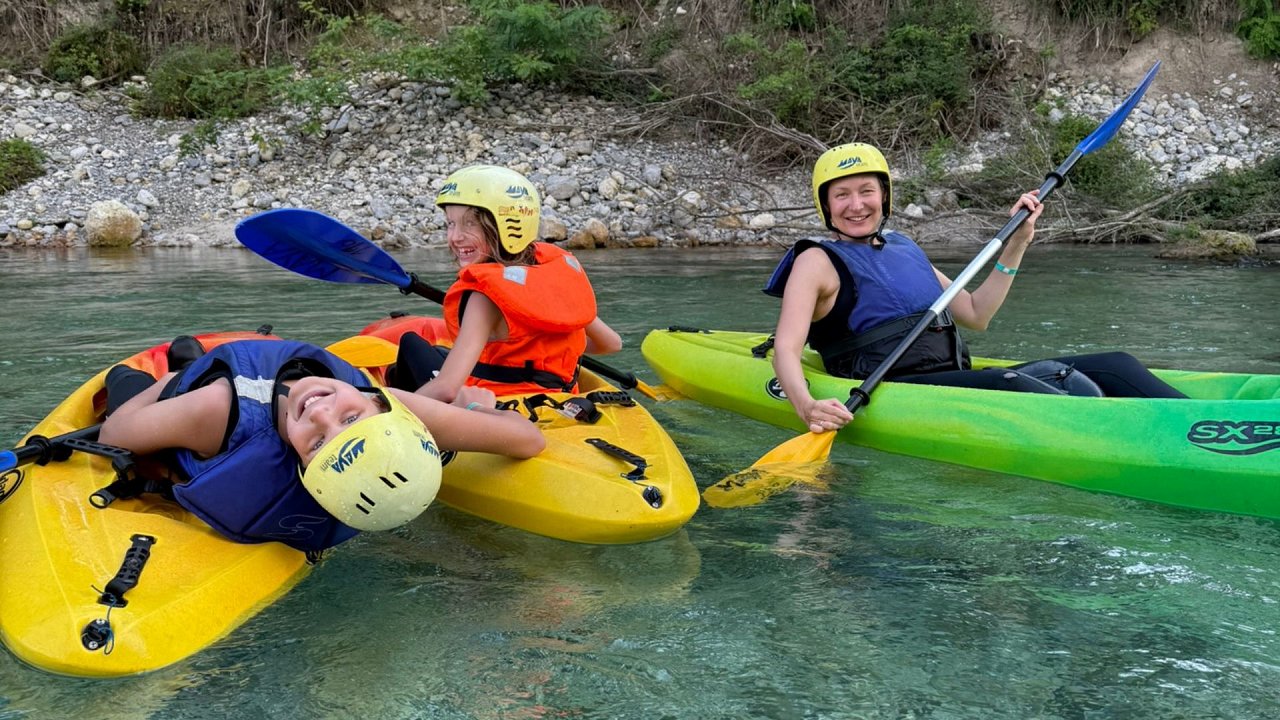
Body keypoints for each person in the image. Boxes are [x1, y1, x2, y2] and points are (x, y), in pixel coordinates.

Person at [766, 142, 1187, 435]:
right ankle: (1137, 438)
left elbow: (976, 313)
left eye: (866, 191)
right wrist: (806, 406)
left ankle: (1205, 424)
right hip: (895, 389)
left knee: (1114, 363)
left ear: (884, 196)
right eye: (841, 195)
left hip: (952, 377)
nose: (856, 204)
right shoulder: (815, 261)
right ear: (826, 205)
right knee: (1015, 386)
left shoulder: (904, 248)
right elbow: (786, 348)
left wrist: (1018, 242)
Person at [99, 336, 545, 553]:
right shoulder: (383, 404)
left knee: (123, 379)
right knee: (178, 367)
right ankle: (188, 363)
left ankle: (184, 365)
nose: (319, 413)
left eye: (316, 443)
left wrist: (174, 384)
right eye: (351, 419)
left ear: (299, 465)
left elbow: (113, 435)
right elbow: (527, 439)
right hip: (219, 380)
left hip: (199, 403)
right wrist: (474, 410)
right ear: (382, 407)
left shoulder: (215, 411)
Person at [403, 164, 623, 402]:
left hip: (499, 407)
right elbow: (611, 344)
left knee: (411, 345)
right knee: (439, 353)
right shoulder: (553, 275)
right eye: (450, 223)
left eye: (470, 223)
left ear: (506, 225)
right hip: (561, 400)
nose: (455, 237)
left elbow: (446, 388)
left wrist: (385, 406)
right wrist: (550, 354)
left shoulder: (484, 297)